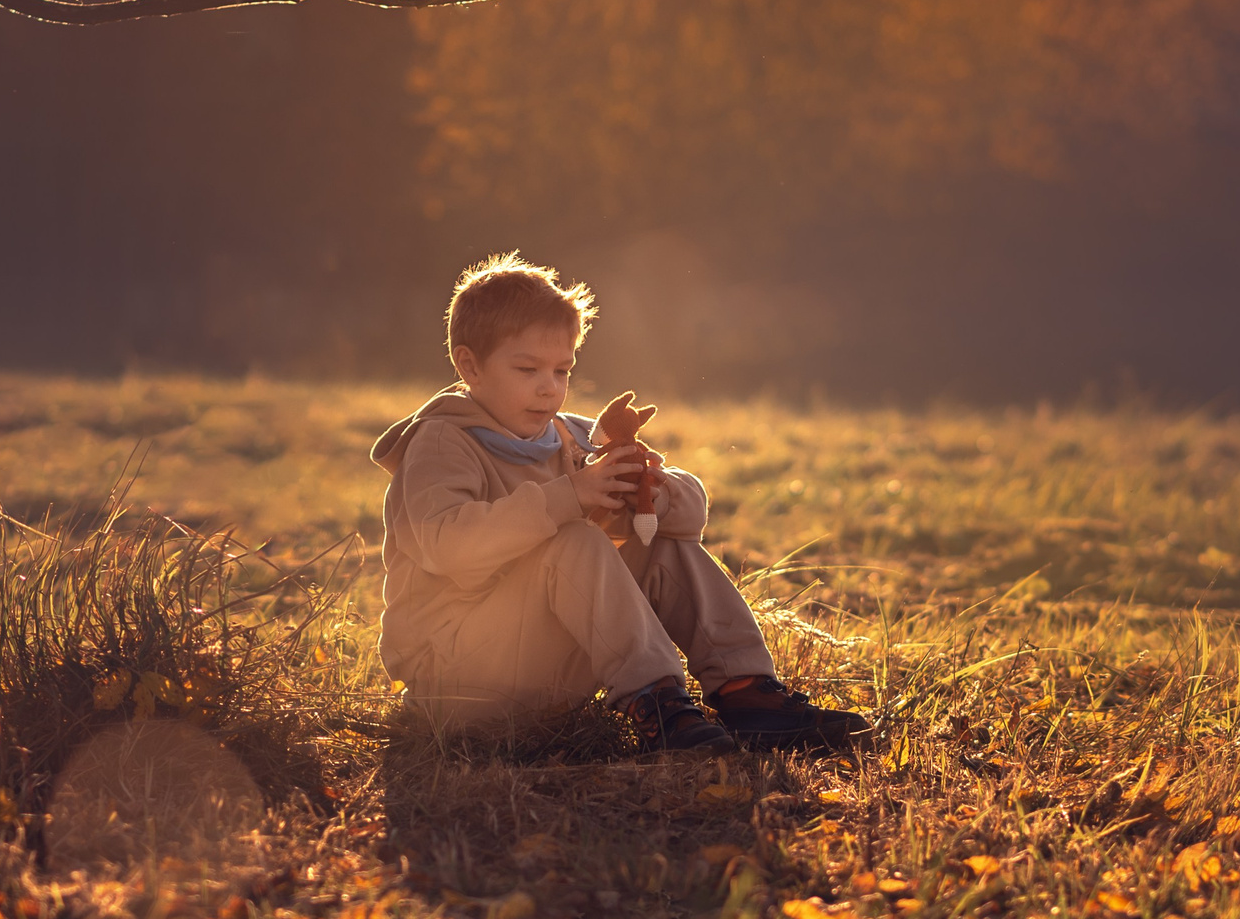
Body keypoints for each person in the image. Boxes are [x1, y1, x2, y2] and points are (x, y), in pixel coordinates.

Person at [369, 253, 868, 753]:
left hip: (544, 661)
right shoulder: (442, 443)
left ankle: (745, 692)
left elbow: (690, 519)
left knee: (662, 548)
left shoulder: (574, 435)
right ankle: (657, 702)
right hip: (456, 674)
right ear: (469, 365)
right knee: (576, 541)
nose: (549, 387)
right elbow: (447, 546)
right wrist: (570, 496)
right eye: (527, 369)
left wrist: (647, 492)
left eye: (562, 370)